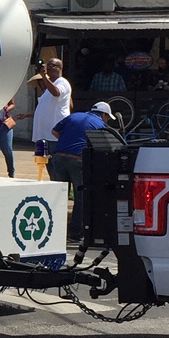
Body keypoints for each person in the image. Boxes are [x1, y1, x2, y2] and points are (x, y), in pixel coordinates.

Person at [48, 101, 111, 240]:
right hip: (78, 160)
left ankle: (55, 232)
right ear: (104, 114)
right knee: (81, 197)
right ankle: (75, 233)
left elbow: (54, 131)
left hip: (58, 157)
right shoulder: (101, 125)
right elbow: (103, 147)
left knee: (58, 197)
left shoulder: (73, 116)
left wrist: (68, 142)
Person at [28, 58, 72, 174]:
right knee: (45, 164)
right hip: (43, 135)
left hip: (53, 135)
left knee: (56, 166)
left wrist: (44, 77)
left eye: (52, 65)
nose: (48, 67)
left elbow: (57, 93)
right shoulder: (48, 87)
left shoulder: (62, 82)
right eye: (48, 65)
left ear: (59, 68)